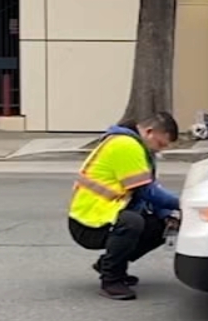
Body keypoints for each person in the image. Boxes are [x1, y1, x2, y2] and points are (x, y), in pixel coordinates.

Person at [66, 111, 182, 300]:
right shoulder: (126, 145)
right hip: (89, 222)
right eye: (160, 144)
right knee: (131, 222)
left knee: (164, 224)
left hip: (107, 213)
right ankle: (111, 280)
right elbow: (146, 191)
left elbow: (148, 191)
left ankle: (108, 264)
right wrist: (182, 203)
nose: (161, 150)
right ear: (149, 132)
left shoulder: (136, 145)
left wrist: (167, 214)